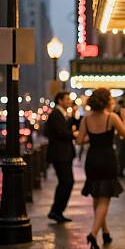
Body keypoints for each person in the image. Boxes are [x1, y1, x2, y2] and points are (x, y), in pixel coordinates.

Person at [77, 88, 125, 249]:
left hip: (92, 159)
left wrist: (94, 137)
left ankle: (105, 232)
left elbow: (80, 140)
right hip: (107, 159)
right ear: (106, 101)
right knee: (104, 199)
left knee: (97, 195)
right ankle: (93, 234)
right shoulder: (112, 117)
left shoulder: (86, 119)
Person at [45, 91, 77, 223]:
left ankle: (57, 211)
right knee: (66, 182)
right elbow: (62, 133)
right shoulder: (56, 114)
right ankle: (56, 211)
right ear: (60, 101)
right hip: (60, 155)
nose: (69, 101)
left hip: (64, 154)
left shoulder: (62, 114)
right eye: (67, 99)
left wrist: (73, 120)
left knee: (66, 182)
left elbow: (68, 128)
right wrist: (74, 134)